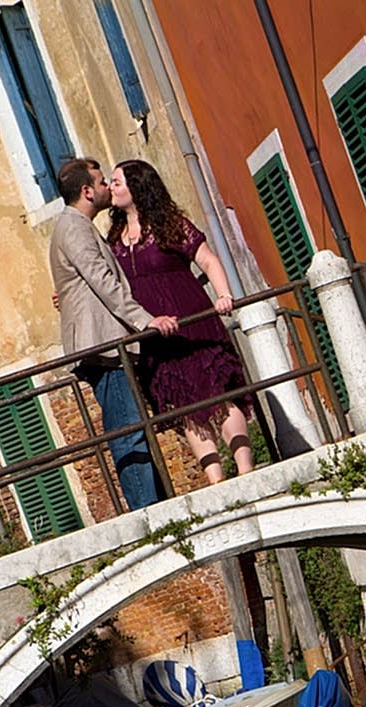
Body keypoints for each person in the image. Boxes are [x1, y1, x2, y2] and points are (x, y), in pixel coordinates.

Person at [106, 159, 254, 485]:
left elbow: (208, 259)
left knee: (217, 393)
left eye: (117, 181)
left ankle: (245, 470)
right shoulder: (114, 238)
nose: (111, 187)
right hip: (155, 337)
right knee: (184, 403)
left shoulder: (171, 224)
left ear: (138, 186)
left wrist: (223, 295)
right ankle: (216, 480)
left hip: (192, 323)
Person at [48, 156, 178, 510]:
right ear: (87, 191)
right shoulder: (73, 227)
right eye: (103, 181)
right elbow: (102, 281)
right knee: (127, 431)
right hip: (102, 347)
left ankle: (155, 505)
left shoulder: (79, 228)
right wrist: (144, 320)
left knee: (132, 427)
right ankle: (148, 514)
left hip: (103, 342)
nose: (108, 186)